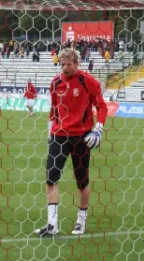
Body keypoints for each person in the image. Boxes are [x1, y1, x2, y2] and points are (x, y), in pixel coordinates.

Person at [35, 48, 108, 237]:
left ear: (77, 64)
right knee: (51, 178)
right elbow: (53, 109)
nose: (65, 68)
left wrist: (98, 128)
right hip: (59, 136)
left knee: (82, 181)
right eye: (62, 64)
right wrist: (49, 130)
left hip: (81, 137)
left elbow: (101, 106)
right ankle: (52, 225)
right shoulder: (56, 83)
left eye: (69, 64)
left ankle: (80, 221)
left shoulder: (88, 82)